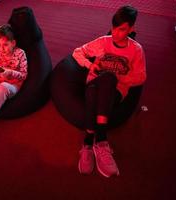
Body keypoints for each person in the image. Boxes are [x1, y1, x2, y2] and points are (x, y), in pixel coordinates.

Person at [72, 5, 146, 177]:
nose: (115, 33)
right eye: (114, 27)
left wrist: (117, 78)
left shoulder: (136, 50)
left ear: (132, 29)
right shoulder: (102, 42)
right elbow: (77, 53)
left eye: (121, 29)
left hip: (116, 90)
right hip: (94, 83)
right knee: (100, 84)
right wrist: (91, 65)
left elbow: (141, 77)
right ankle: (101, 141)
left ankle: (88, 142)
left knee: (109, 80)